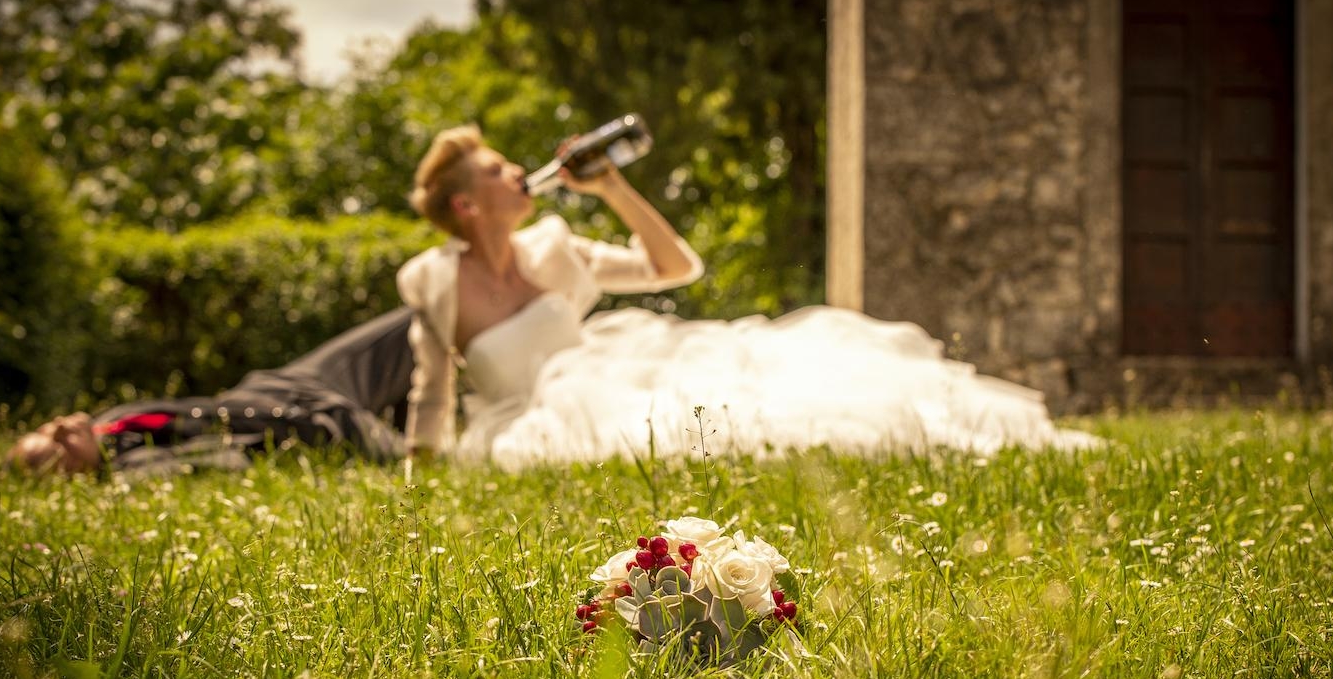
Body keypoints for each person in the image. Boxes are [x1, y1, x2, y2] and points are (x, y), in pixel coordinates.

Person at [398, 127, 1096, 472]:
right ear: (465, 202)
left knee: (752, 397)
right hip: (520, 421)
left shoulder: (559, 248)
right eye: (495, 170)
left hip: (605, 379)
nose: (518, 170)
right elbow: (431, 394)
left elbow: (675, 266)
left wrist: (609, 188)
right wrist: (417, 479)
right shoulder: (432, 281)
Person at [5, 306, 415, 475]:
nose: (56, 428)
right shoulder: (138, 471)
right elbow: (229, 461)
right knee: (426, 461)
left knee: (421, 317)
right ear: (64, 480)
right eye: (47, 451)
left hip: (283, 386)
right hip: (316, 426)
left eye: (41, 430)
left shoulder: (109, 423)